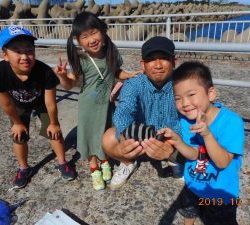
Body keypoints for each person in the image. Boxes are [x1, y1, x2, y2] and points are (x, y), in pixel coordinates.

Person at [54, 12, 138, 191]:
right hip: (88, 108)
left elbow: (116, 72)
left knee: (105, 134)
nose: (91, 39)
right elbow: (69, 84)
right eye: (84, 36)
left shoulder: (111, 52)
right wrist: (62, 76)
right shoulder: (82, 60)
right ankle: (94, 168)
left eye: (94, 33)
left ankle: (105, 160)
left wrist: (129, 75)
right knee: (90, 137)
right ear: (78, 40)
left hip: (107, 106)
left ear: (102, 32)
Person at [157, 61, 244, 225]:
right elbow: (194, 154)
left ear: (210, 94)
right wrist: (177, 141)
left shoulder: (232, 122)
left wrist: (206, 134)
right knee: (188, 212)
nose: (184, 103)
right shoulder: (185, 120)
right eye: (178, 98)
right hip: (193, 185)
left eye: (191, 95)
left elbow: (223, 161)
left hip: (221, 194)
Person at [102, 36, 184, 190]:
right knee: (108, 139)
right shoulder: (133, 84)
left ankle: (175, 160)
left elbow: (197, 112)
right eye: (151, 59)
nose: (158, 65)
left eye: (164, 58)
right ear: (143, 65)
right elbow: (123, 112)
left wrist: (173, 148)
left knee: (196, 133)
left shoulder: (183, 83)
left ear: (174, 62)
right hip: (140, 139)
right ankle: (128, 162)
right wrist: (125, 142)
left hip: (173, 137)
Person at [0, 26, 76, 189]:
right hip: (17, 105)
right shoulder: (1, 72)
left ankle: (62, 162)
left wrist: (54, 123)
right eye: (17, 51)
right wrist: (17, 123)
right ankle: (23, 168)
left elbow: (50, 102)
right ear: (5, 55)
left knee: (54, 132)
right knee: (18, 136)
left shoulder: (44, 71)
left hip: (41, 102)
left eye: (29, 50)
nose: (24, 56)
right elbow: (6, 103)